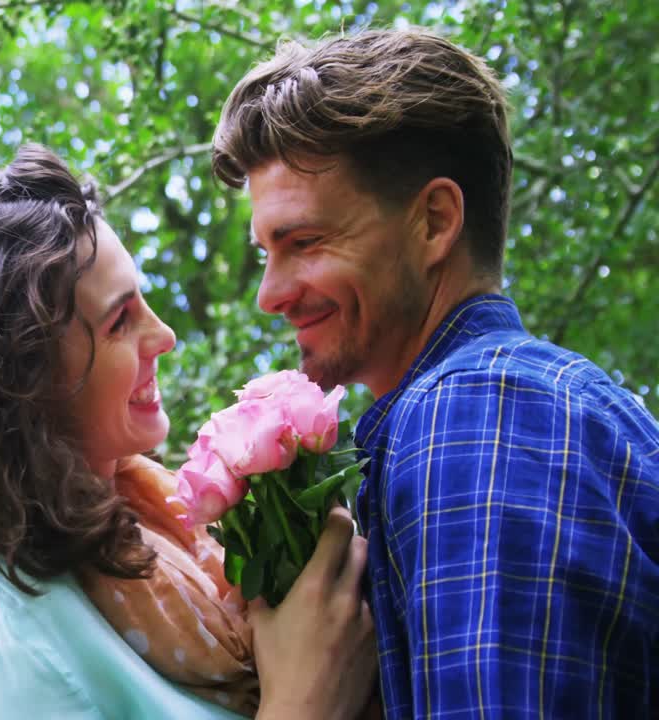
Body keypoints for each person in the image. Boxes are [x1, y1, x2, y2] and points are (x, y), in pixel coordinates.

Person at [0, 145, 377, 720]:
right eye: (119, 321)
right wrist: (304, 702)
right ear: (19, 381)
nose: (164, 336)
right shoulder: (1, 622)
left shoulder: (162, 532)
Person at [212, 28, 659, 719]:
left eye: (305, 241)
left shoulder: (477, 412)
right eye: (266, 251)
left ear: (434, 222)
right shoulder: (510, 407)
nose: (270, 294)